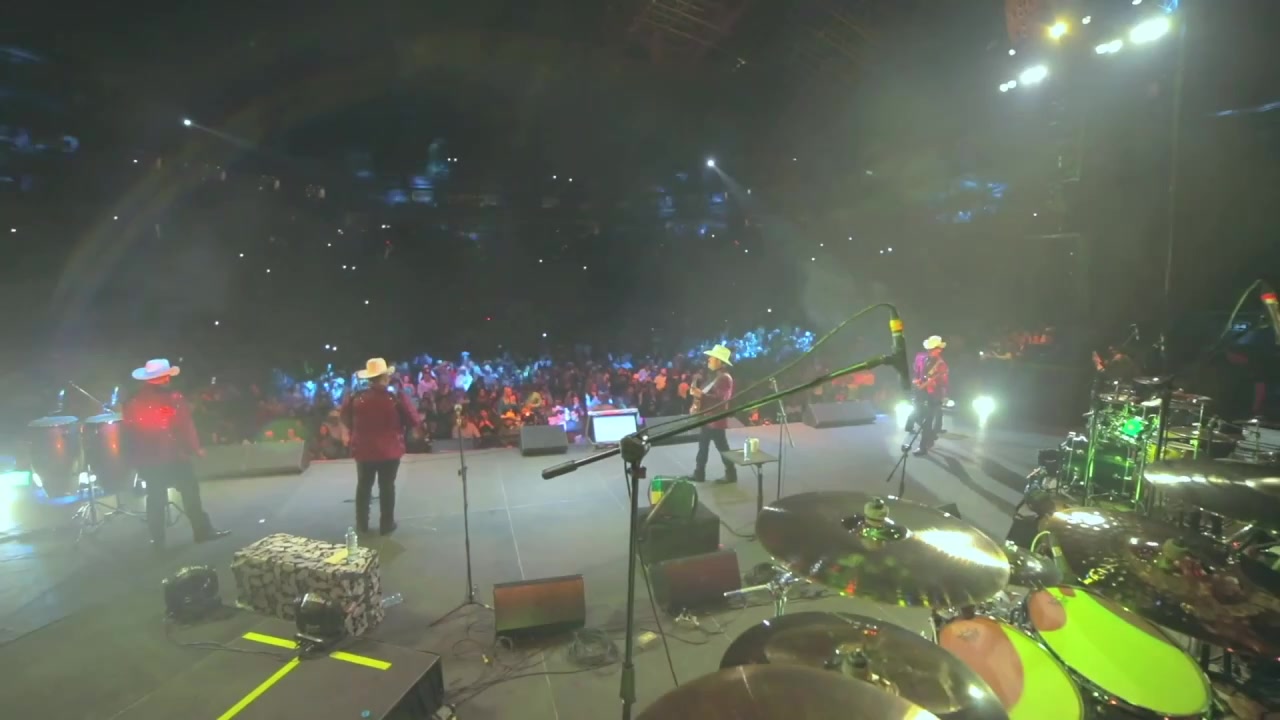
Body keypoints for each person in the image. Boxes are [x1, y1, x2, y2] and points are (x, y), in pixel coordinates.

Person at [121, 358, 230, 548]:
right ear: (164, 377)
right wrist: (195, 449)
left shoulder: (133, 401)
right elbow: (184, 426)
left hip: (148, 458)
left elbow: (130, 430)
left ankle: (157, 539)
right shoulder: (174, 398)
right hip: (174, 455)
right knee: (190, 492)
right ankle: (202, 531)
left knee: (155, 497)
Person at [340, 358, 421, 536]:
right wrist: (402, 393)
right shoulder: (393, 398)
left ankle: (362, 524)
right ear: (385, 377)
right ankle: (386, 524)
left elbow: (345, 418)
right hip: (389, 450)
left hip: (363, 450)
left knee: (363, 486)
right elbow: (413, 419)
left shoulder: (356, 398)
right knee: (387, 486)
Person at [690, 344, 738, 484]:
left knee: (720, 447)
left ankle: (728, 474)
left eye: (712, 357)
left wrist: (701, 395)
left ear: (719, 361)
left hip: (715, 420)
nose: (709, 359)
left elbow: (721, 399)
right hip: (710, 418)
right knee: (705, 447)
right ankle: (701, 473)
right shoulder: (716, 376)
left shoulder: (724, 378)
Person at [911, 336, 950, 456]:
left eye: (935, 349)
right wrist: (916, 380)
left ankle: (922, 447)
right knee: (917, 417)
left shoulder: (941, 365)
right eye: (930, 349)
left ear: (939, 349)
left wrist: (940, 391)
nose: (931, 351)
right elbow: (916, 371)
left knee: (927, 421)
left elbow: (944, 382)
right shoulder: (920, 357)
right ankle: (931, 435)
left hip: (933, 395)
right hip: (920, 393)